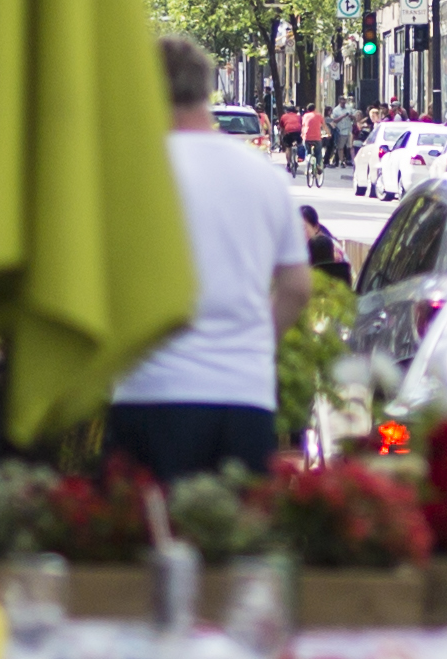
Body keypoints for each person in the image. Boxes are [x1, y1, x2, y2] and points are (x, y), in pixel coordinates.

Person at [106, 38, 310, 483]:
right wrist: (257, 344)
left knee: (144, 537)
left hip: (148, 390)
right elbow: (297, 287)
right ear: (206, 89)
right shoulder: (264, 176)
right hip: (243, 394)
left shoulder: (126, 174)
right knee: (235, 539)